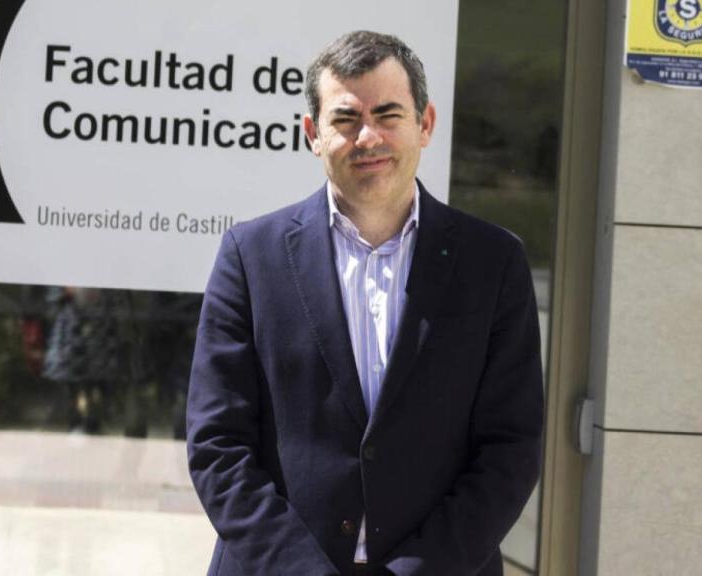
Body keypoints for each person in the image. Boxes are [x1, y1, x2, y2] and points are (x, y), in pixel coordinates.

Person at [186, 30, 543, 576]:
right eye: (346, 119)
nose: (368, 137)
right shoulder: (249, 257)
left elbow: (509, 451)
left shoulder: (492, 264)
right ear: (313, 133)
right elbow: (218, 447)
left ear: (425, 125)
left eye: (389, 114)